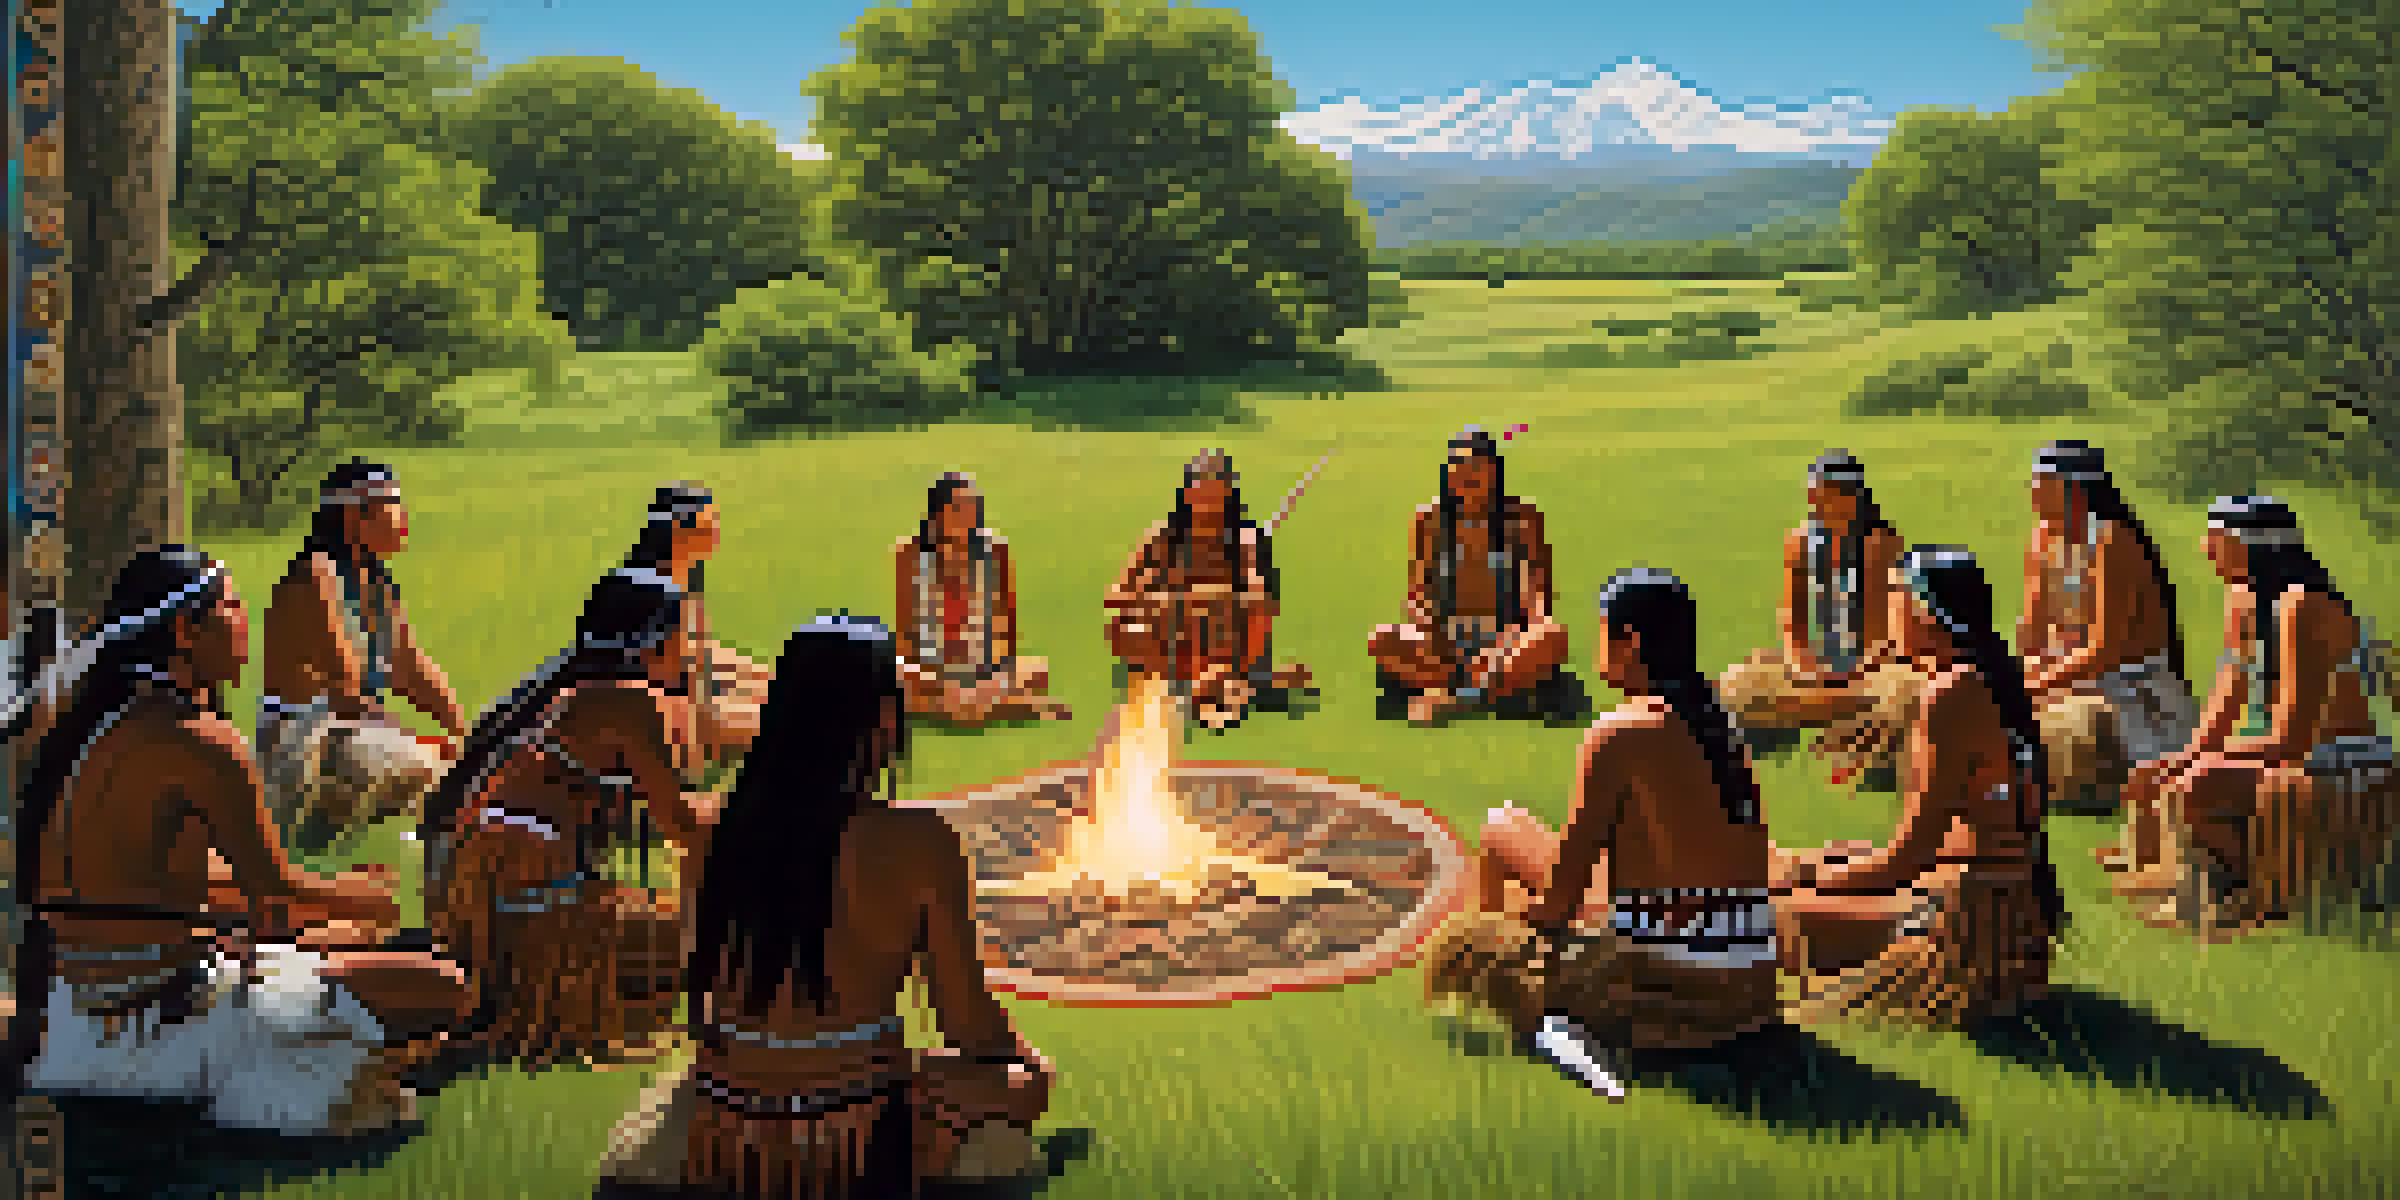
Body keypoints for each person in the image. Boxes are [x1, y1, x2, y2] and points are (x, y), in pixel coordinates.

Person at [5, 547, 471, 1137]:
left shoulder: (93, 730)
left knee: (346, 937)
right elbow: (272, 890)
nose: (244, 616)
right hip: (169, 1025)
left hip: (77, 1026)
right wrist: (378, 898)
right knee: (444, 986)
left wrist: (339, 905)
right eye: (229, 604)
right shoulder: (199, 739)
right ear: (184, 629)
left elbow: (150, 882)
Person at [595, 615, 1056, 1198]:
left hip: (730, 1120)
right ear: (883, 722)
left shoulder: (712, 829)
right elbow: (967, 1025)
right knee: (1022, 1088)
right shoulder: (921, 842)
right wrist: (1024, 1064)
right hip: (860, 1125)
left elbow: (702, 1011)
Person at [1423, 568, 1781, 1064]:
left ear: (1630, 642)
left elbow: (1557, 907)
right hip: (1752, 993)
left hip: (1665, 991)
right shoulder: (1719, 723)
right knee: (1520, 839)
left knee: (1501, 827)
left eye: (1604, 632)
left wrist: (1506, 933)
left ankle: (1508, 981)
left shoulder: (1622, 732)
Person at [423, 568, 715, 1068]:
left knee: (679, 940)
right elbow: (684, 825)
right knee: (706, 947)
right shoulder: (626, 698)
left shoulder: (589, 689)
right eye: (683, 635)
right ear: (652, 640)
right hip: (523, 884)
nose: (690, 649)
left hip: (479, 893)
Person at [1773, 548, 2064, 1029]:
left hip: (1962, 929)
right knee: (1831, 856)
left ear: (1923, 611)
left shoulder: (1948, 696)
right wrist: (1820, 866)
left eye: (1893, 595)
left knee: (1765, 917)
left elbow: (1904, 861)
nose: (1886, 608)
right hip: (2003, 913)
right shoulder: (1985, 679)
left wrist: (1803, 881)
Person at [2097, 497, 2397, 934]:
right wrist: (2183, 757)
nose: (2204, 547)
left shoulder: (2302, 607)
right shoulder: (2242, 601)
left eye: (2216, 538)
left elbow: (2294, 737)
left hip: (2338, 756)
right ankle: (2195, 888)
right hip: (2285, 745)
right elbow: (2225, 702)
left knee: (2199, 785)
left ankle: (2250, 898)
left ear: (2249, 545)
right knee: (2162, 774)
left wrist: (2202, 765)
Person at [259, 459, 468, 852]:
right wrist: (418, 740)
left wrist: (465, 734)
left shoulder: (378, 585)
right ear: (355, 516)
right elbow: (347, 692)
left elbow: (410, 669)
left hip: (351, 736)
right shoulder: (314, 577)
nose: (404, 517)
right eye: (393, 505)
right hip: (300, 748)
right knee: (438, 770)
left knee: (465, 765)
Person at [2015, 441, 2198, 811]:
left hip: (2125, 682)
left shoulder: (2113, 541)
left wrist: (2032, 688)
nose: (2032, 492)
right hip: (2065, 668)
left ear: (2072, 490)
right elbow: (2034, 629)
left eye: (2041, 483)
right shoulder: (2041, 539)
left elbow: (2105, 650)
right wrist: (2022, 672)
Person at [1716, 450, 1911, 778]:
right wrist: (1801, 665)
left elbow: (1884, 632)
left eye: (1824, 497)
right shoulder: (1800, 544)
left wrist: (1850, 678)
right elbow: (1793, 621)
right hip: (1821, 665)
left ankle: (1834, 717)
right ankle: (1829, 714)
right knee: (1739, 683)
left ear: (1852, 499)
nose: (1815, 506)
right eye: (1813, 498)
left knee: (1892, 698)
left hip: (1876, 668)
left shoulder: (1880, 546)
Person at [1369, 428, 1580, 726]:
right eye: (1459, 465)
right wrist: (1429, 627)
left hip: (1507, 639)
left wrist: (1511, 638)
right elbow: (1418, 593)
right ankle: (1491, 691)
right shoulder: (1429, 520)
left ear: (1494, 472)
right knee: (1381, 639)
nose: (1467, 473)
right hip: (1444, 642)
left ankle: (1455, 697)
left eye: (1476, 465)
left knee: (1553, 637)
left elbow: (1537, 598)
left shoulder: (1521, 519)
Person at [1104, 450, 1311, 731]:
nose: (1207, 503)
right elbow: (1118, 598)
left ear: (1228, 496)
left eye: (1216, 494)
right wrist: (1165, 601)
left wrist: (1216, 597)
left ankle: (1218, 686)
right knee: (1128, 631)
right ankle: (1206, 688)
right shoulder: (1162, 538)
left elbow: (1258, 598)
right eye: (1201, 491)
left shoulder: (1245, 540)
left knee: (1248, 614)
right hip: (1171, 640)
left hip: (1221, 642)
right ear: (1187, 494)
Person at [893, 472, 1071, 725]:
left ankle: (954, 706)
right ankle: (1006, 706)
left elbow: (1006, 628)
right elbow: (905, 631)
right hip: (929, 666)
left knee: (1036, 671)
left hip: (981, 665)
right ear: (937, 514)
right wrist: (928, 671)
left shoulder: (995, 551)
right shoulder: (910, 554)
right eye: (958, 508)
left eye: (973, 507)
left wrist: (986, 665)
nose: (969, 516)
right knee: (895, 676)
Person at [622, 482, 771, 771]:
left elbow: (699, 654)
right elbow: (695, 715)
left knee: (771, 682)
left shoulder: (686, 574)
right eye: (707, 524)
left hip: (692, 697)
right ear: (677, 531)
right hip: (676, 719)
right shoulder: (658, 595)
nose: (716, 531)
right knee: (788, 715)